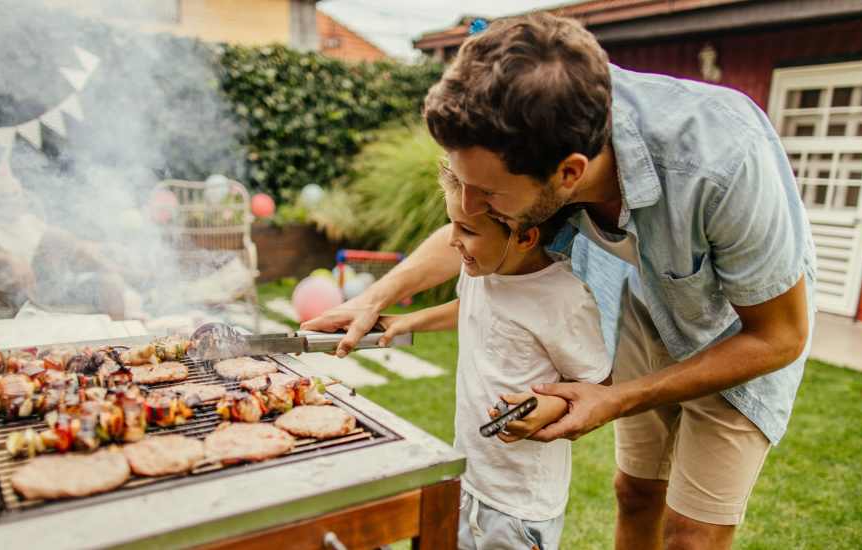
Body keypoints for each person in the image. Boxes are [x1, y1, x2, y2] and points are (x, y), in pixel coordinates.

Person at [303, 13, 815, 550]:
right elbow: (471, 227)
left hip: (739, 330)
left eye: (489, 196)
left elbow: (779, 335)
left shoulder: (722, 161)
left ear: (569, 174)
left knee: (689, 536)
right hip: (644, 298)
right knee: (636, 492)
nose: (470, 208)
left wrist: (616, 399)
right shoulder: (541, 126)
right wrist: (376, 296)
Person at [378, 164, 610, 550]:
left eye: (467, 230)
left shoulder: (563, 299)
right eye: (453, 224)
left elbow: (598, 384)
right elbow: (472, 309)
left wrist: (550, 406)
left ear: (525, 236)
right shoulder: (481, 270)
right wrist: (407, 322)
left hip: (519, 503)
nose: (453, 241)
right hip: (470, 476)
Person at [0, 171, 141, 319]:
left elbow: (70, 245)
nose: (15, 199)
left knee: (110, 283)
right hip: (20, 289)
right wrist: (11, 259)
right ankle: (122, 271)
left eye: (17, 193)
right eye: (7, 195)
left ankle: (122, 346)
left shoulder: (29, 221)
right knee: (55, 236)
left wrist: (105, 246)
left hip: (55, 284)